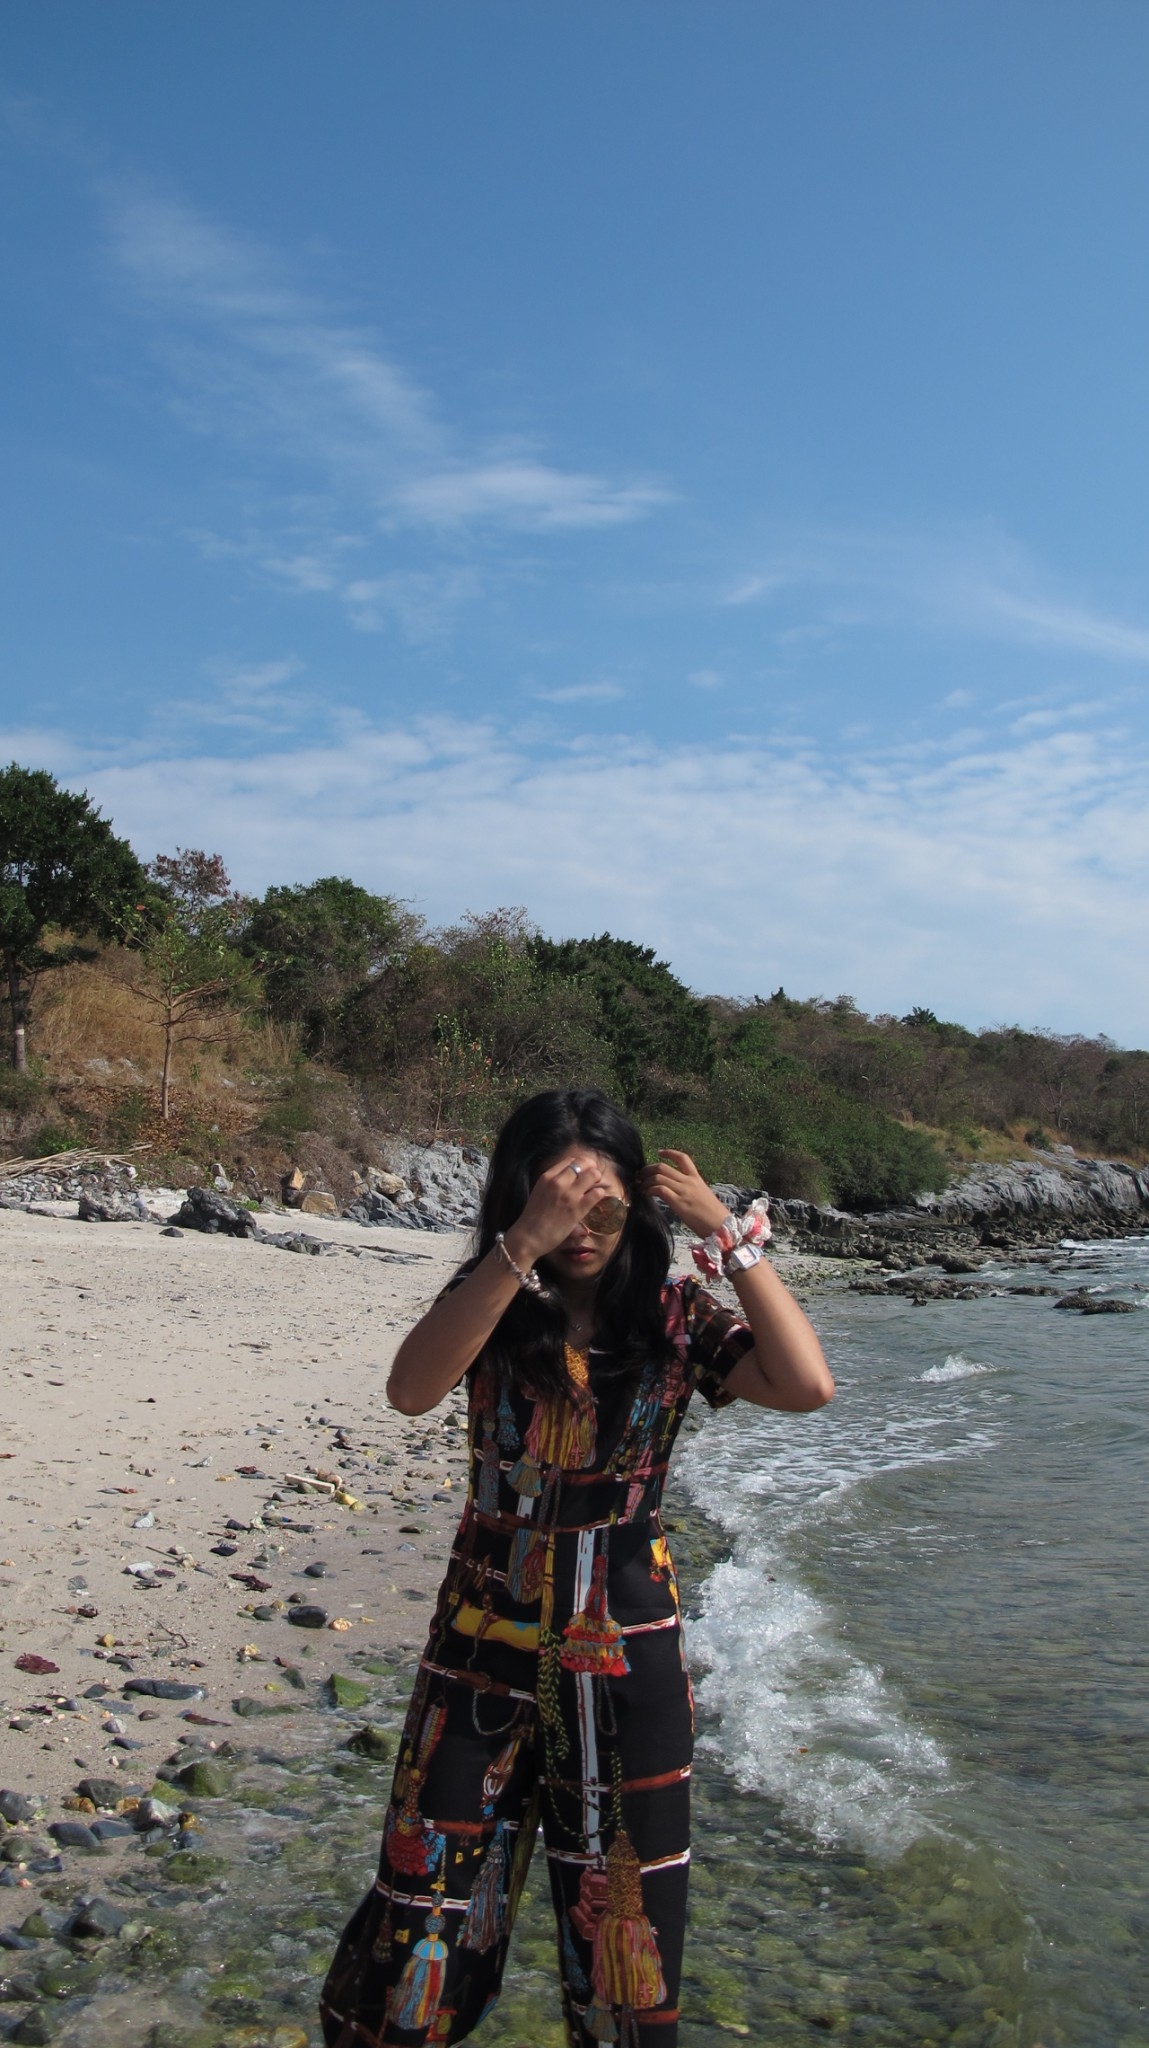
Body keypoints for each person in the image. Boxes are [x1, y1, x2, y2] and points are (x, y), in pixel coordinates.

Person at [321, 1089, 833, 2048]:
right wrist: (521, 1243)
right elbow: (410, 1389)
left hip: (626, 1658)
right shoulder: (493, 1299)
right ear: (523, 1195)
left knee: (624, 1935)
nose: (583, 1230)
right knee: (422, 1902)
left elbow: (806, 1385)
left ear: (635, 1204)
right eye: (562, 1202)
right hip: (479, 1648)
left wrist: (726, 1236)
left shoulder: (674, 1316)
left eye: (603, 1206)